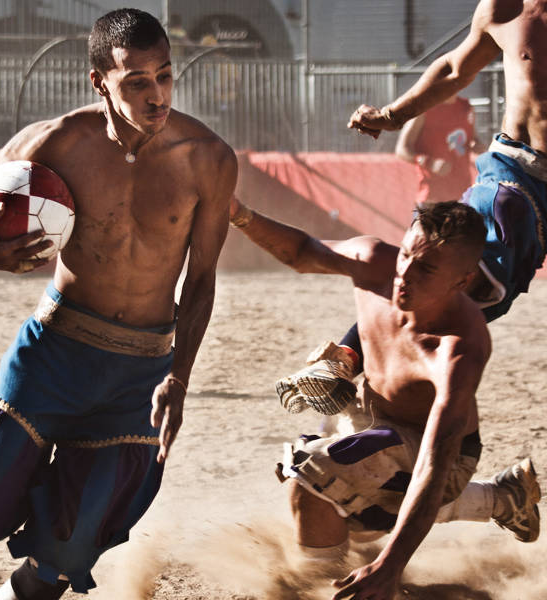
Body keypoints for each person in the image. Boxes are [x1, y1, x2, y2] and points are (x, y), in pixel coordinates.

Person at [0, 8, 237, 599]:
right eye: (137, 81)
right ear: (99, 81)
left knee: (68, 549)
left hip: (140, 376)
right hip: (53, 355)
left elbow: (201, 279)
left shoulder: (207, 157)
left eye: (165, 75)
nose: (157, 96)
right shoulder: (57, 141)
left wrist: (179, 378)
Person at [229, 197, 540, 600]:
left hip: (438, 452)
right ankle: (500, 498)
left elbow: (435, 464)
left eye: (426, 268)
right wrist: (238, 214)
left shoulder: (458, 348)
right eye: (406, 254)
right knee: (316, 491)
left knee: (314, 474)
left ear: (462, 282)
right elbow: (303, 252)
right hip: (371, 420)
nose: (404, 274)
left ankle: (324, 589)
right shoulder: (377, 262)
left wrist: (390, 566)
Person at [348, 0, 547, 323]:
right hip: (516, 169)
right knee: (461, 270)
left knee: (488, 293)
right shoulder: (506, 8)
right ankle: (353, 349)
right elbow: (455, 69)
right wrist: (391, 115)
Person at [395, 94, 479, 204]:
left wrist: (477, 145)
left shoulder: (466, 106)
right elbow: (401, 149)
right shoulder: (424, 108)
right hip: (431, 197)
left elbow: (473, 139)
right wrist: (429, 162)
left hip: (462, 194)